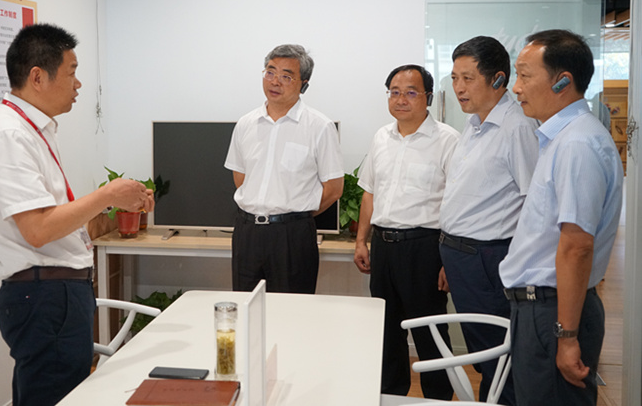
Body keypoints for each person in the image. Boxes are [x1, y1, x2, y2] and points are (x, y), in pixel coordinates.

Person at [0, 23, 154, 406]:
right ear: (38, 77)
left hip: (55, 292)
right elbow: (37, 229)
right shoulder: (8, 135)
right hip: (44, 295)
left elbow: (51, 215)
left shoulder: (32, 130)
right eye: (71, 72)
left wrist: (112, 200)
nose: (78, 84)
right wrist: (107, 194)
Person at [498, 29, 623, 406]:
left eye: (525, 75)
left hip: (554, 312)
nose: (516, 88)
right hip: (542, 309)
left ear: (563, 81)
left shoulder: (577, 144)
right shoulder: (561, 138)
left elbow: (577, 246)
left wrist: (566, 337)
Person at [439, 36, 538, 404]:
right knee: (484, 354)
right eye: (454, 78)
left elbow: (534, 203)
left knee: (499, 355)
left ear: (498, 79)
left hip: (490, 258)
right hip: (462, 256)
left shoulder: (517, 128)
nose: (459, 88)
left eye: (468, 78)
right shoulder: (475, 124)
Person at [353, 64, 459, 399]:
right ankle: (390, 396)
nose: (401, 99)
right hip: (384, 247)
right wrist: (361, 240)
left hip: (425, 248)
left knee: (430, 334)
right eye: (395, 92)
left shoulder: (448, 140)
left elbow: (457, 203)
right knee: (386, 332)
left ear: (428, 97)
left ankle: (438, 400)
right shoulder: (381, 138)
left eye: (411, 92)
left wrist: (449, 260)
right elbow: (370, 192)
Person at [224, 44, 343, 293]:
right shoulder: (246, 124)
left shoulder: (319, 127)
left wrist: (295, 215)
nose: (275, 81)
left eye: (286, 76)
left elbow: (333, 189)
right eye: (270, 72)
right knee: (247, 306)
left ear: (304, 84)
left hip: (292, 236)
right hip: (247, 233)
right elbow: (240, 178)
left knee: (292, 309)